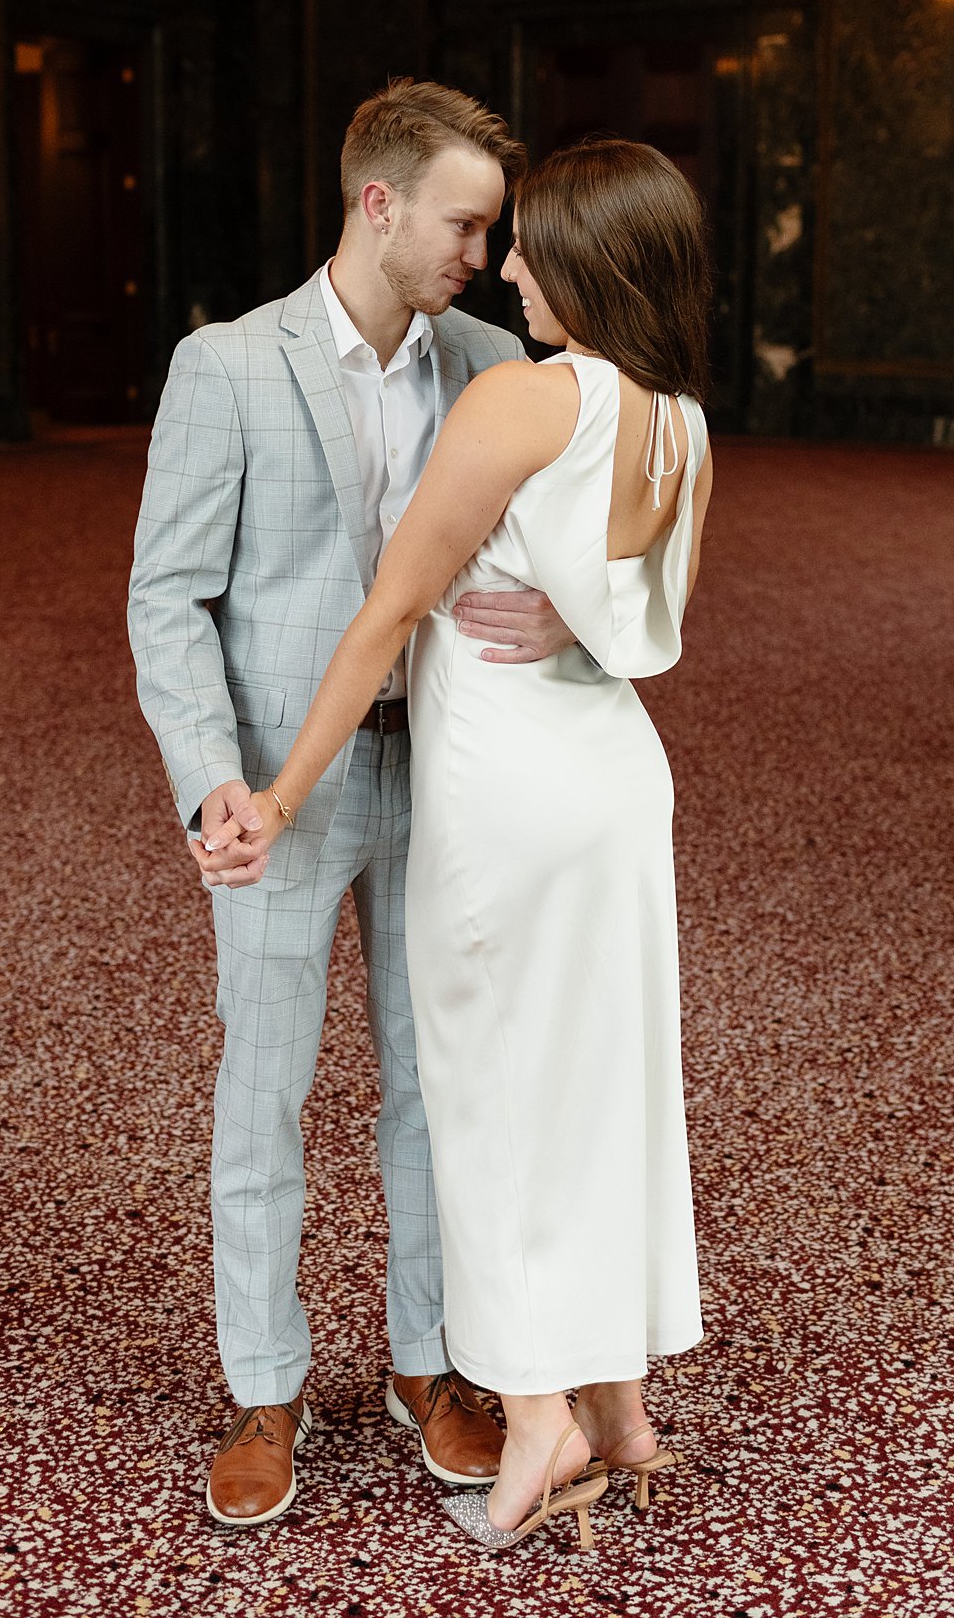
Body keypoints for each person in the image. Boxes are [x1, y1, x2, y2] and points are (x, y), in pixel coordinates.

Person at [204, 137, 715, 1552]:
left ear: (592, 262)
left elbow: (385, 612)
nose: (508, 268)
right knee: (603, 1083)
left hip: (503, 798)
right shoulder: (677, 417)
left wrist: (282, 795)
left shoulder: (514, 399)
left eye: (533, 243)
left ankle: (539, 1403)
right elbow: (646, 626)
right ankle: (619, 1399)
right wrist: (562, 605)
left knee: (487, 1099)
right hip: (613, 779)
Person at [128, 79, 580, 1527]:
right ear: (377, 204)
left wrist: (574, 621)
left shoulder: (487, 357)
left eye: (489, 230)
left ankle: (428, 1364)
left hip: (449, 767)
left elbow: (559, 534)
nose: (480, 252)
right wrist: (215, 782)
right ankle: (264, 1387)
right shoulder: (227, 364)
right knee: (264, 1090)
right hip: (280, 781)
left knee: (433, 1087)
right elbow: (167, 600)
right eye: (461, 223)